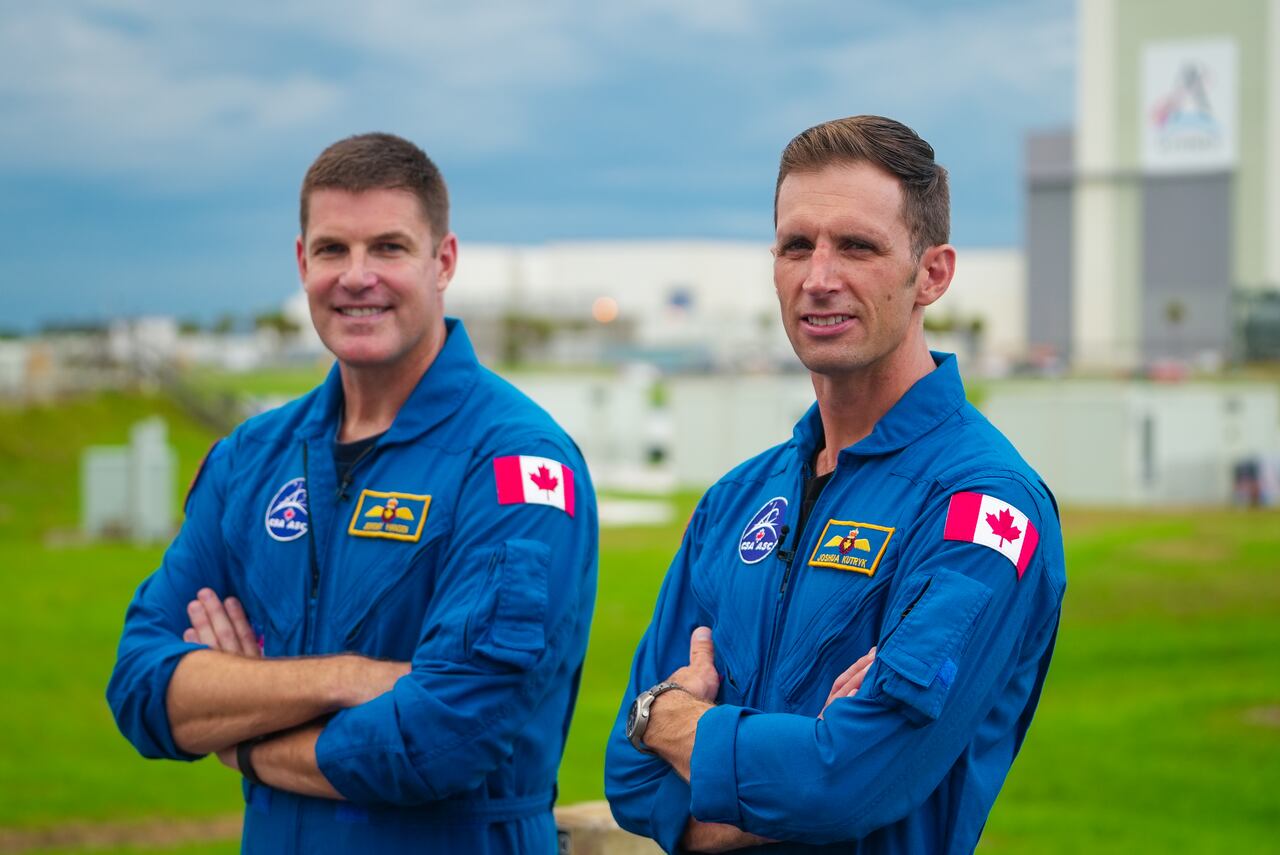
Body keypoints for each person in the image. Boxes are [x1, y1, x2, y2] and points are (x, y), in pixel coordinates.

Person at [107, 132, 598, 853]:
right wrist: (345, 678)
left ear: (444, 262)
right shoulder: (252, 458)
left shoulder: (517, 465)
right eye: (333, 249)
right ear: (303, 262)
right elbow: (142, 686)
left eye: (389, 248)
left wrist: (244, 734)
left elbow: (443, 737)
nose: (356, 276)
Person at [604, 116, 1065, 854]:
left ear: (933, 274)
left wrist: (671, 723)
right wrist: (791, 761)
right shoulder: (734, 501)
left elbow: (849, 782)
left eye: (857, 246)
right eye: (796, 246)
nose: (819, 278)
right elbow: (627, 776)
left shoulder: (984, 510)